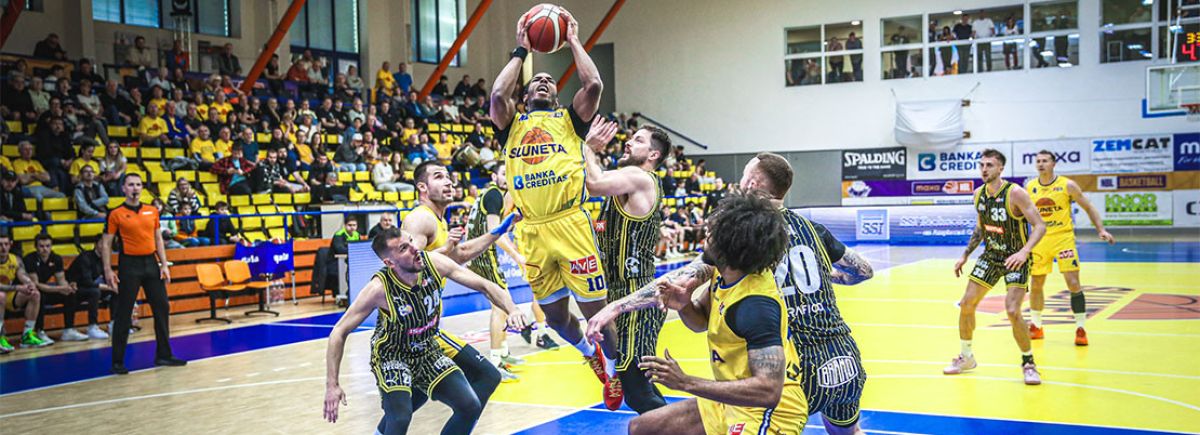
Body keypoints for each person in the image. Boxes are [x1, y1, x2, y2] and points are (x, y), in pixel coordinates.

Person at [587, 191, 809, 435]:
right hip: (732, 399)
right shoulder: (728, 273)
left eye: (712, 233)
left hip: (770, 412)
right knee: (643, 428)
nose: (706, 235)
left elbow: (768, 391)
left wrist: (685, 382)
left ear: (729, 245)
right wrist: (684, 305)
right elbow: (700, 321)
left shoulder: (755, 306)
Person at [490, 7, 620, 397]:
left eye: (550, 80)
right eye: (537, 80)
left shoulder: (569, 120)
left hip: (570, 224)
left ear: (557, 94)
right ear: (526, 95)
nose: (544, 81)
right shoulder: (512, 125)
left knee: (596, 312)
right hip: (532, 230)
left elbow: (593, 85)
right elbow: (497, 94)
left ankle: (616, 371)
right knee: (557, 317)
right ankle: (590, 355)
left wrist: (573, 39)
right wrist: (521, 50)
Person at [323, 228, 528, 434]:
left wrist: (512, 309)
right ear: (390, 263)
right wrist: (332, 385)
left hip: (427, 348)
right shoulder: (378, 289)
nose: (415, 249)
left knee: (470, 405)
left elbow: (485, 285)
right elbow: (338, 331)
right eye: (404, 248)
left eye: (411, 241)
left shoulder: (434, 263)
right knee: (400, 417)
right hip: (392, 355)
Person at [575, 117, 675, 411]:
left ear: (653, 154)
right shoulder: (625, 182)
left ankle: (678, 426)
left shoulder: (640, 177)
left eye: (638, 140)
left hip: (638, 294)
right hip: (616, 292)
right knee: (637, 386)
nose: (629, 142)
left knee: (638, 390)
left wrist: (587, 147)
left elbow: (593, 183)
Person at [401, 160, 523, 394]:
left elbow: (461, 253)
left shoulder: (438, 220)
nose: (448, 182)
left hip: (426, 328)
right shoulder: (420, 219)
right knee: (485, 377)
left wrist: (498, 231)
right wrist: (445, 250)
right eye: (438, 177)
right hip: (409, 330)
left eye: (448, 176)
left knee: (420, 399)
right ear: (422, 187)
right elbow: (405, 267)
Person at [944, 149, 1046, 384]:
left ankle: (1028, 363)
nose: (984, 169)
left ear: (1001, 168)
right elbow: (981, 228)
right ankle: (966, 357)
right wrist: (965, 255)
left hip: (1015, 258)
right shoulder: (978, 194)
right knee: (966, 304)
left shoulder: (1015, 193)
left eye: (989, 165)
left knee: (1012, 310)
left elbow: (1040, 226)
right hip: (991, 256)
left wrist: (1024, 251)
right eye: (981, 165)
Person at [463, 161, 560, 383]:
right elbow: (495, 233)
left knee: (504, 308)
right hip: (483, 256)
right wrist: (517, 255)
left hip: (480, 254)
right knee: (500, 307)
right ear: (494, 176)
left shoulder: (489, 194)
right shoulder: (494, 195)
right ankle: (495, 363)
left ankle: (503, 353)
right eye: (503, 173)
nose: (507, 177)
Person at [1025, 150, 1115, 346]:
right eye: (1038, 161)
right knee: (1036, 284)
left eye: (1045, 161)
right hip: (1039, 240)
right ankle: (1036, 325)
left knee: (1073, 283)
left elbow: (1088, 207)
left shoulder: (1067, 185)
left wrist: (1101, 229)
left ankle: (1080, 328)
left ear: (1053, 164)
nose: (1041, 164)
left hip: (1063, 239)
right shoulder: (1030, 187)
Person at [100, 173, 186, 375]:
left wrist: (164, 264)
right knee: (124, 312)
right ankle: (117, 361)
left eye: (138, 185)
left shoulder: (152, 210)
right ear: (124, 188)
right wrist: (108, 270)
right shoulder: (116, 213)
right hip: (129, 264)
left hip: (151, 263)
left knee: (162, 306)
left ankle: (164, 354)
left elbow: (158, 239)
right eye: (131, 185)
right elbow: (106, 243)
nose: (135, 188)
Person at [25, 234, 99, 342]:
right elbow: (36, 284)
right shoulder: (29, 259)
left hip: (47, 290)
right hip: (30, 292)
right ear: (35, 247)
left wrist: (68, 287)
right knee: (40, 296)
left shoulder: (56, 258)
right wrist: (59, 289)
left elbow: (61, 280)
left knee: (70, 294)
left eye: (48, 246)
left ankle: (69, 330)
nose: (45, 249)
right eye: (41, 246)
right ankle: (39, 331)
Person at [0, 232, 49, 350]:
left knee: (35, 294)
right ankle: (0, 336)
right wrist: (17, 287)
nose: (3, 248)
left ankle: (27, 335)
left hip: (8, 296)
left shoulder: (15, 259)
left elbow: (22, 275)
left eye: (6, 244)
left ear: (11, 244)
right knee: (0, 296)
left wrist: (29, 283)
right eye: (0, 244)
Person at [65, 243, 114, 341]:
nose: (105, 246)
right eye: (102, 244)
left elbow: (106, 278)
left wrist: (114, 286)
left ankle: (114, 324)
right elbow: (87, 282)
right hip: (75, 288)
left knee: (115, 291)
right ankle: (92, 327)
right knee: (95, 292)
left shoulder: (104, 259)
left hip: (89, 288)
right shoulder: (85, 257)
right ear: (96, 244)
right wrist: (109, 287)